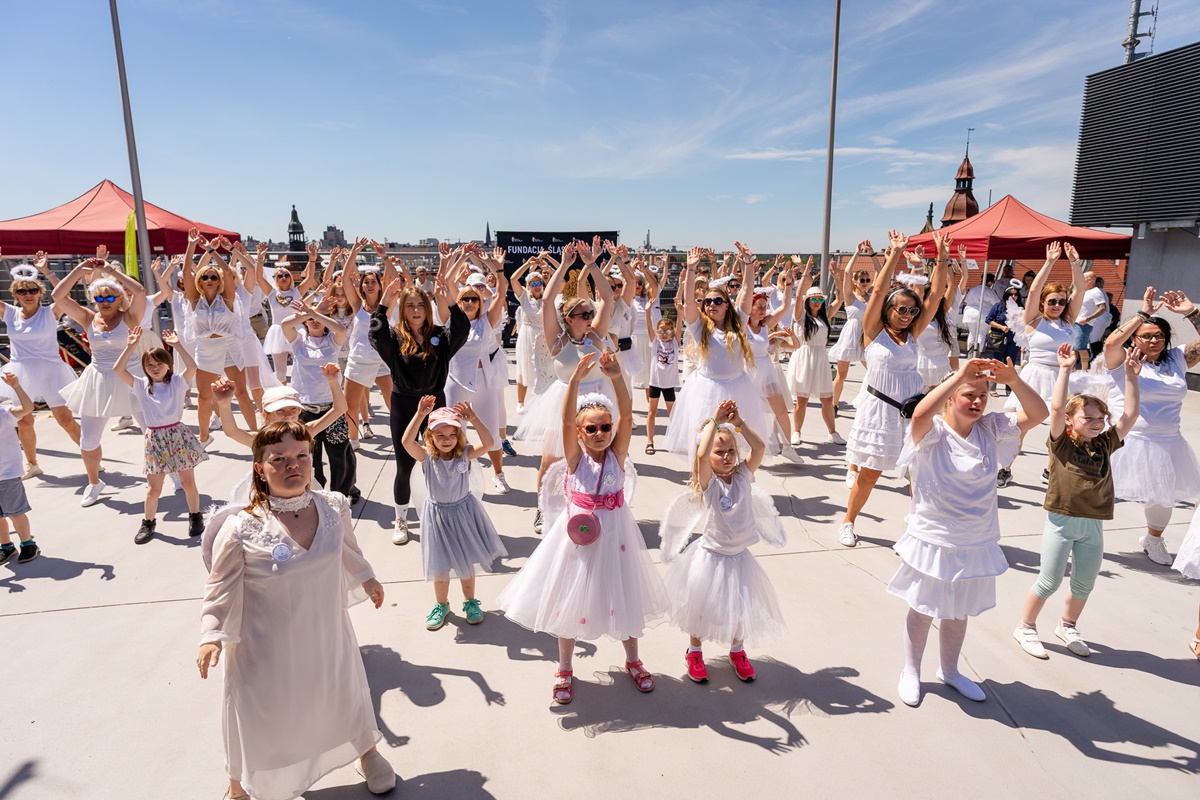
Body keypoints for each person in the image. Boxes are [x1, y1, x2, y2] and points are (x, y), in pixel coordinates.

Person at [198, 422, 395, 800]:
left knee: (341, 693)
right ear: (260, 467)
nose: (294, 465)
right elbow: (219, 587)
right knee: (260, 717)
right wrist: (211, 635)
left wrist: (368, 578)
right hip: (264, 647)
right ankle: (238, 786)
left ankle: (367, 752)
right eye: (280, 459)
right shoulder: (241, 527)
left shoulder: (333, 506)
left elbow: (349, 550)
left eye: (302, 455)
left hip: (325, 633)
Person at [498, 352, 668, 705]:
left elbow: (625, 413)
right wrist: (574, 382)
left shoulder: (616, 456)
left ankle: (633, 660)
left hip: (616, 537)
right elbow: (563, 421)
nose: (600, 433)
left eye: (605, 427)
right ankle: (564, 667)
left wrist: (617, 377)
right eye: (591, 428)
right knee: (569, 601)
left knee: (624, 596)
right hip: (577, 541)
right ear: (579, 432)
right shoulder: (575, 458)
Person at [888, 357, 1048, 707]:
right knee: (923, 606)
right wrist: (959, 374)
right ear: (949, 398)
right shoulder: (931, 433)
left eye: (984, 395)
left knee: (958, 610)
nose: (977, 401)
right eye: (968, 395)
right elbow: (918, 415)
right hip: (935, 537)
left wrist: (1015, 381)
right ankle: (911, 671)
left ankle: (950, 670)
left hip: (975, 539)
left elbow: (1037, 414)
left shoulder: (991, 429)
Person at [1013, 344, 1141, 660]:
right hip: (1061, 520)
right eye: (1089, 417)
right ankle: (1026, 626)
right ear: (1072, 421)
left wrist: (1130, 378)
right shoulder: (1062, 445)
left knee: (1084, 583)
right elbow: (1056, 409)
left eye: (1101, 417)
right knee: (1050, 580)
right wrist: (1066, 370)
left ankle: (1067, 625)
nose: (1098, 422)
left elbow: (1131, 414)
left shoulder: (1106, 443)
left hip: (1093, 523)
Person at [659, 401, 787, 684]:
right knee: (702, 608)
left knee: (740, 608)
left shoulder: (743, 475)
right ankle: (694, 651)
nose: (727, 456)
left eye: (731, 451)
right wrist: (714, 424)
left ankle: (737, 650)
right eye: (721, 452)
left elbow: (760, 448)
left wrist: (739, 423)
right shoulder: (710, 484)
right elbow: (702, 456)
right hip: (711, 557)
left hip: (739, 556)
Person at [838, 230, 948, 546]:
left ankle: (920, 526)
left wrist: (941, 257)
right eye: (902, 309)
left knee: (920, 471)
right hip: (879, 411)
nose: (908, 315)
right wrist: (894, 254)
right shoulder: (874, 331)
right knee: (870, 473)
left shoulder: (912, 334)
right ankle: (848, 521)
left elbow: (937, 294)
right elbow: (878, 291)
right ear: (888, 309)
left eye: (912, 311)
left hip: (911, 410)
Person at [512, 239, 616, 533]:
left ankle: (595, 505)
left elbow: (607, 299)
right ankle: (543, 509)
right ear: (568, 319)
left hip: (596, 401)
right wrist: (566, 266)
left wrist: (593, 265)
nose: (590, 317)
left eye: (590, 313)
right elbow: (547, 301)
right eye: (584, 314)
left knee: (597, 457)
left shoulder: (597, 336)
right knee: (551, 461)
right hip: (564, 402)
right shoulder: (557, 340)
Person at [369, 250, 468, 544]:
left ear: (427, 308)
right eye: (409, 306)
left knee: (441, 461)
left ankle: (443, 515)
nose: (415, 311)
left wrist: (449, 297)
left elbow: (462, 328)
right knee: (405, 464)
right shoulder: (396, 338)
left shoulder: (440, 335)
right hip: (405, 405)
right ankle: (401, 518)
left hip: (437, 404)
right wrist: (385, 301)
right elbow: (376, 334)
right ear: (403, 310)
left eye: (420, 305)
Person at [1101, 287, 1200, 565]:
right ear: (1134, 338)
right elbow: (1110, 344)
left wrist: (1192, 313)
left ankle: (1153, 540)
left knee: (1163, 497)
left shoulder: (1177, 358)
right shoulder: (1121, 360)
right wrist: (1143, 313)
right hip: (1125, 439)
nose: (1154, 340)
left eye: (1159, 336)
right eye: (1146, 335)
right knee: (1100, 491)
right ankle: (1084, 537)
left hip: (1168, 441)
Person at [400, 398, 507, 631]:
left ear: (459, 436)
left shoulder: (464, 455)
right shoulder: (427, 457)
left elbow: (489, 443)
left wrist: (475, 419)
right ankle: (442, 605)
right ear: (430, 437)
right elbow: (406, 441)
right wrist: (419, 415)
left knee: (466, 563)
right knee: (439, 566)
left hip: (463, 513)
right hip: (437, 516)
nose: (446, 440)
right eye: (440, 435)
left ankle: (470, 602)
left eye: (451, 435)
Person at [663, 244, 780, 456]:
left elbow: (745, 290)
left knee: (732, 443)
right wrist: (690, 270)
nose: (711, 304)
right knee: (705, 442)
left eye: (717, 300)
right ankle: (702, 482)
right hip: (706, 391)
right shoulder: (699, 327)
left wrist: (747, 263)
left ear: (727, 305)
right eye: (708, 301)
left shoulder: (739, 323)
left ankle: (730, 481)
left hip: (737, 389)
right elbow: (689, 300)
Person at [55, 256, 147, 507]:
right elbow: (58, 297)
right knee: (89, 439)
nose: (104, 302)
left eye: (110, 297)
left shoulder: (130, 317)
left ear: (119, 298)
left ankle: (170, 474)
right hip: (97, 379)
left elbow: (140, 291)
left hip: (131, 377)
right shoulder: (87, 317)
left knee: (151, 431)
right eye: (99, 298)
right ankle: (94, 482)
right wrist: (77, 269)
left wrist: (109, 271)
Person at [997, 241, 1089, 488]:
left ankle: (1050, 470)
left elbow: (1080, 290)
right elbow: (1035, 290)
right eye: (1052, 301)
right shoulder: (1034, 320)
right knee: (1020, 427)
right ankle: (1005, 469)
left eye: (1061, 301)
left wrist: (1074, 263)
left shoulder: (1068, 320)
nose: (1057, 305)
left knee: (1060, 430)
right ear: (1043, 303)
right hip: (1034, 375)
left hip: (1061, 377)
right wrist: (1049, 262)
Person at [113, 327, 207, 544]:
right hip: (155, 439)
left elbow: (192, 366)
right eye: (150, 365)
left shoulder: (177, 382)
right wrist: (130, 347)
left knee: (188, 483)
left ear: (168, 366)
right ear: (145, 368)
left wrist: (177, 345)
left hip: (177, 435)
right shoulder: (141, 385)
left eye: (160, 364)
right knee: (153, 489)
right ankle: (148, 522)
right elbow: (118, 369)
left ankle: (195, 516)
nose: (155, 368)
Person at [1, 254, 82, 479]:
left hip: (51, 370)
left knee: (65, 420)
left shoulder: (50, 312)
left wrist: (47, 271)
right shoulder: (10, 312)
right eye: (22, 291)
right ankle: (32, 464)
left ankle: (90, 455)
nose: (28, 295)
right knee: (24, 421)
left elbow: (64, 294)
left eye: (32, 290)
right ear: (15, 295)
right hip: (20, 372)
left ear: (40, 293)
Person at [445, 249, 511, 494]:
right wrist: (460, 258)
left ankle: (499, 474)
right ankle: (456, 477)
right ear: (459, 302)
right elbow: (448, 283)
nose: (470, 302)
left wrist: (498, 268)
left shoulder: (486, 320)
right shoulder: (452, 320)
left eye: (475, 299)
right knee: (454, 432)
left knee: (492, 432)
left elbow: (502, 292)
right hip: (456, 382)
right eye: (466, 299)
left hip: (485, 383)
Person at [280, 297, 358, 502]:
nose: (314, 321)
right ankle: (314, 493)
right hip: (304, 409)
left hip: (332, 407)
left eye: (320, 317)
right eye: (310, 318)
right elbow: (284, 324)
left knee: (339, 454)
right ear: (304, 320)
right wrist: (310, 311)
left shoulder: (332, 341)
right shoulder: (298, 340)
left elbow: (341, 330)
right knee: (308, 456)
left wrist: (315, 312)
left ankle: (343, 494)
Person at [182, 236, 256, 446]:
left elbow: (229, 273)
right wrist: (191, 245)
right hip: (206, 349)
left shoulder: (227, 298)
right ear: (200, 281)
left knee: (242, 393)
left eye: (213, 277)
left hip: (229, 346)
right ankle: (204, 437)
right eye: (205, 277)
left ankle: (255, 435)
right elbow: (187, 271)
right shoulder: (195, 300)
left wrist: (214, 252)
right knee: (204, 398)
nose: (210, 280)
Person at [343, 238, 398, 445]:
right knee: (350, 405)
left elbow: (395, 280)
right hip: (358, 359)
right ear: (362, 286)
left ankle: (402, 437)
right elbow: (345, 282)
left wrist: (384, 257)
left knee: (393, 403)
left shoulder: (387, 305)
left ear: (379, 284)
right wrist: (353, 253)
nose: (370, 284)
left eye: (373, 281)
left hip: (382, 359)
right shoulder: (357, 304)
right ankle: (353, 439)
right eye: (366, 282)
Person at [746, 263, 798, 449]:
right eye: (759, 307)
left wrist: (790, 284)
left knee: (781, 410)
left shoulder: (766, 323)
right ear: (749, 307)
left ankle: (787, 447)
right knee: (747, 412)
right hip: (745, 371)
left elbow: (784, 306)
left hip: (766, 370)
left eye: (764, 307)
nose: (763, 310)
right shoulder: (741, 324)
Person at [789, 283, 844, 445]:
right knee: (802, 399)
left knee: (827, 399)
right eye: (813, 299)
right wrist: (805, 275)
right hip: (804, 357)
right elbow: (798, 297)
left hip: (821, 357)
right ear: (807, 300)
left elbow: (840, 299)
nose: (817, 302)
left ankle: (832, 433)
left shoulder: (824, 316)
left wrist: (837, 278)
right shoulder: (801, 316)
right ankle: (796, 432)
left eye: (820, 299)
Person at [260, 245, 318, 384]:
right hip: (277, 331)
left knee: (301, 363)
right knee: (280, 372)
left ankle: (301, 390)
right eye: (280, 275)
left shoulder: (296, 292)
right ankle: (284, 395)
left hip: (296, 329)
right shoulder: (272, 293)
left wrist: (312, 260)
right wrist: (260, 258)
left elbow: (310, 279)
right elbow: (259, 278)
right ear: (276, 279)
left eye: (287, 275)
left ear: (291, 278)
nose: (284, 277)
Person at [828, 241, 876, 408]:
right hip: (850, 336)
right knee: (841, 375)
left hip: (867, 336)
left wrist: (872, 254)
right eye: (862, 279)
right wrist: (857, 253)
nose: (865, 282)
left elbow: (881, 272)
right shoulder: (850, 297)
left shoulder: (872, 296)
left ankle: (870, 402)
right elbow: (847, 273)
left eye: (867, 279)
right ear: (856, 282)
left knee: (875, 371)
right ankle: (833, 405)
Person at [0, 373, 40, 565]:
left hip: (6, 475)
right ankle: (6, 546)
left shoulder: (4, 414)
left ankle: (28, 543)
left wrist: (16, 387)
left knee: (15, 513)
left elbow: (28, 408)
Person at [510, 256, 554, 408]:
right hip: (527, 335)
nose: (537, 286)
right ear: (528, 286)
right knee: (525, 367)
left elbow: (560, 282)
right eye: (533, 283)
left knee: (545, 368)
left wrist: (547, 267)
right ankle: (520, 402)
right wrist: (527, 264)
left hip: (544, 335)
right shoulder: (524, 297)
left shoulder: (548, 297)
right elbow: (513, 279)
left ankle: (543, 400)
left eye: (539, 283)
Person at [643, 314, 680, 455]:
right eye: (661, 331)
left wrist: (680, 312)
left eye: (668, 331)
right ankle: (650, 441)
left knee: (673, 414)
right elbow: (649, 329)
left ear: (672, 332)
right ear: (657, 332)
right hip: (655, 383)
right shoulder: (655, 343)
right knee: (652, 412)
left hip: (669, 385)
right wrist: (648, 312)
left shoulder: (675, 343)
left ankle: (674, 440)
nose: (665, 334)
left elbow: (678, 327)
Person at [1073, 271, 1108, 370]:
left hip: (1083, 324)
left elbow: (1102, 308)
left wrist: (1088, 319)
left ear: (1089, 280)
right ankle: (1072, 368)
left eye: (1082, 279)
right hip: (1076, 322)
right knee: (1073, 347)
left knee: (1081, 347)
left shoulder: (1096, 292)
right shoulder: (1086, 292)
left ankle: (1084, 370)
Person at [960, 272, 1000, 355]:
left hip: (970, 313)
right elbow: (997, 303)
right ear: (990, 282)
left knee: (972, 334)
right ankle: (978, 354)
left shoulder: (973, 289)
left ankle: (970, 354)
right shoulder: (989, 291)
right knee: (981, 334)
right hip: (982, 314)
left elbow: (966, 301)